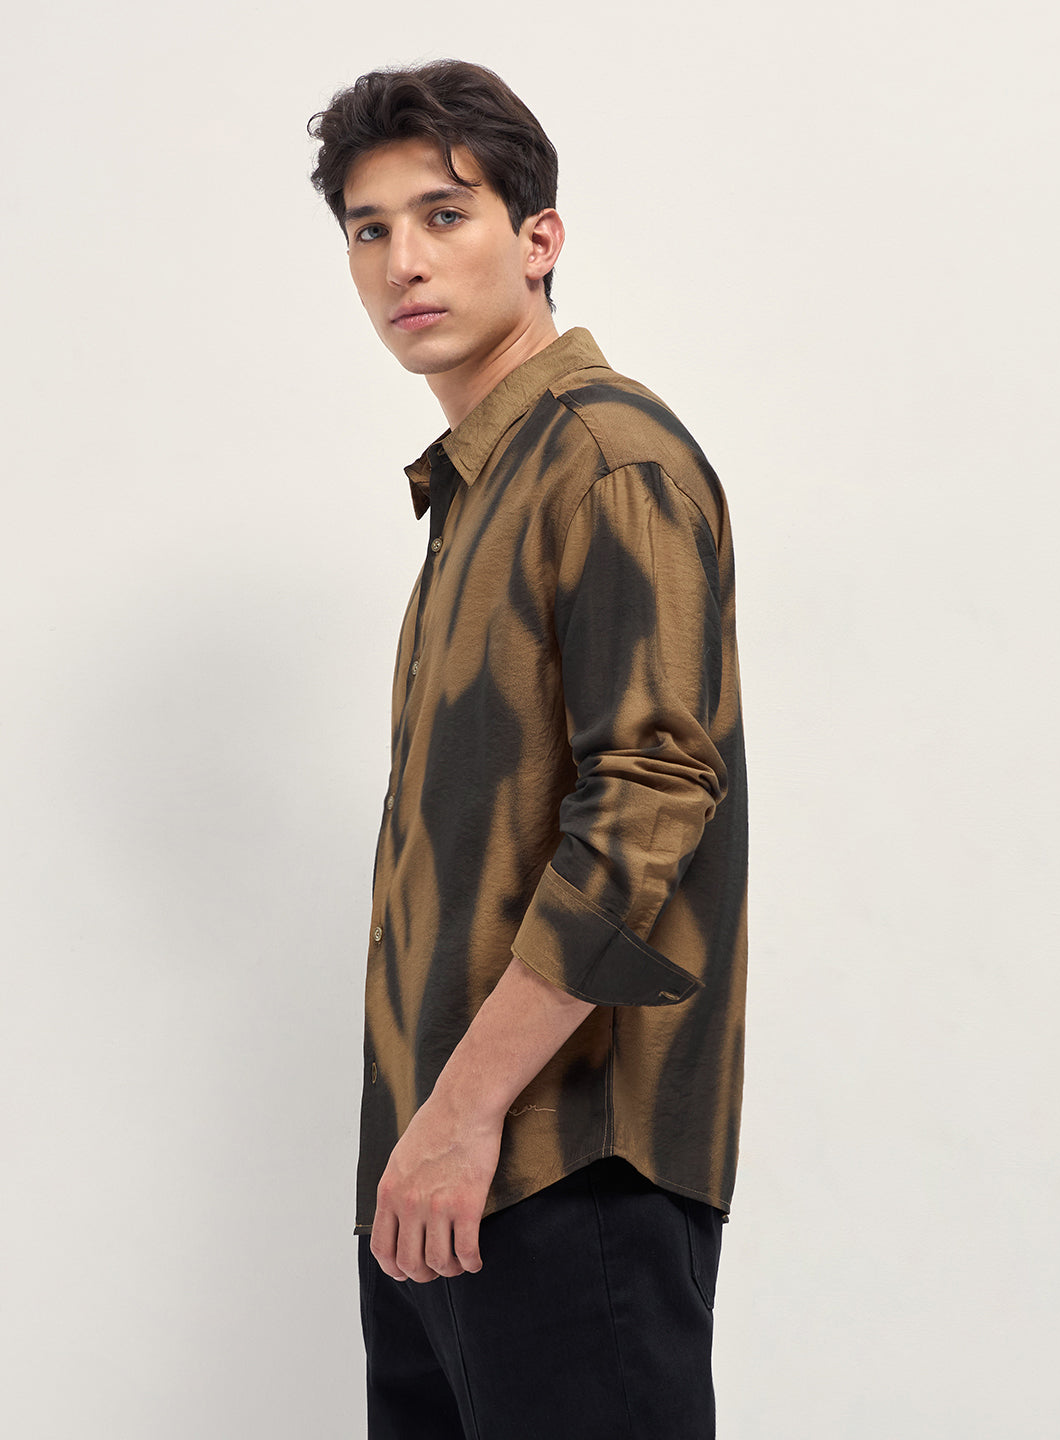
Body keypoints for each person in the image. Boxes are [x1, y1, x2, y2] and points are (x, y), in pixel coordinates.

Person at [308, 58, 748, 1440]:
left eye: (444, 215)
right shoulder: (479, 490)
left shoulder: (607, 459)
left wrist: (464, 1112)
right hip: (435, 1182)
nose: (402, 262)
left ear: (539, 238)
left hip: (563, 1166)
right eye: (370, 229)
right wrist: (422, 1141)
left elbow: (649, 801)